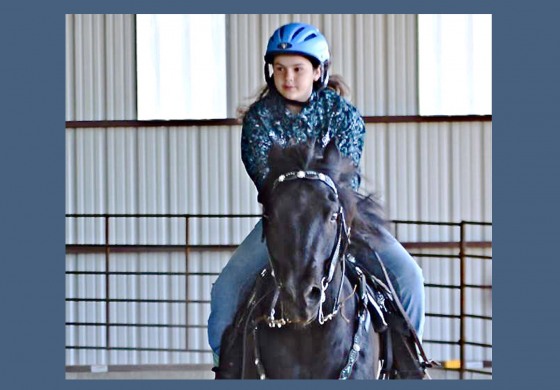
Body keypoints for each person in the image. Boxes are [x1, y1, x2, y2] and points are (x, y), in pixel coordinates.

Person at [207, 22, 425, 366]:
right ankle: (227, 367)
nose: (287, 77)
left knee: (408, 276)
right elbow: (267, 182)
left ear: (318, 71)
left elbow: (344, 181)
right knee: (225, 291)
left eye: (297, 69)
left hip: (339, 218)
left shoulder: (343, 115)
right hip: (282, 223)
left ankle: (408, 365)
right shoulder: (259, 120)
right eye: (279, 69)